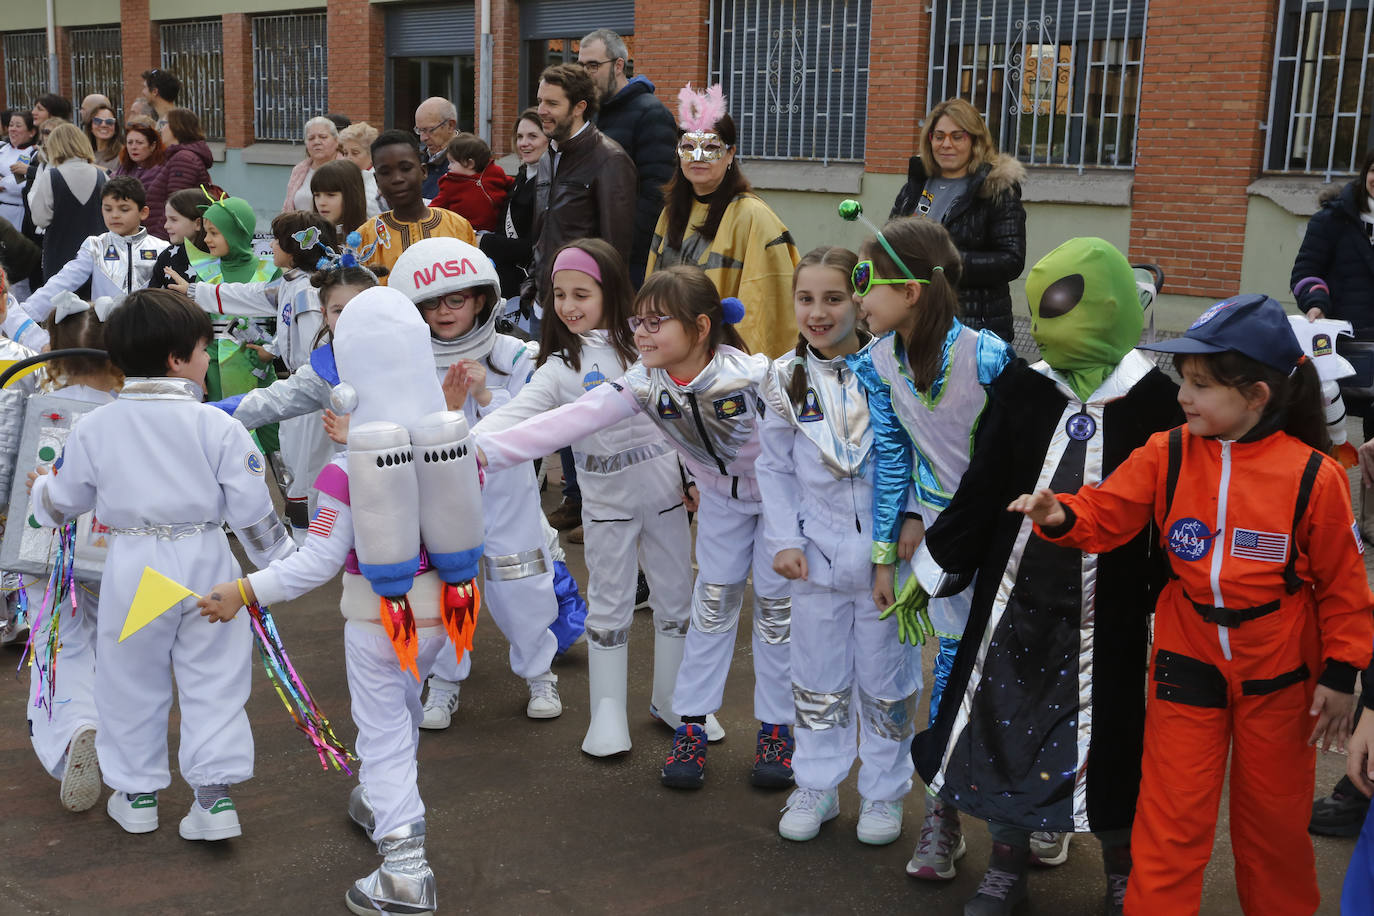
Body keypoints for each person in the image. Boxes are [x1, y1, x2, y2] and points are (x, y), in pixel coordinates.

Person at [1010, 293, 1373, 914]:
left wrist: (1343, 675)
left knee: (1273, 829)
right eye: (1186, 380)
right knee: (1170, 821)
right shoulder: (1168, 450)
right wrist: (1061, 513)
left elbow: (1345, 587)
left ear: (1257, 395)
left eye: (1202, 385)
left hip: (1281, 668)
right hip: (1187, 653)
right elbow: (1109, 510)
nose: (1185, 395)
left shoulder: (1315, 476)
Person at [907, 238, 1181, 915]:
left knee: (1113, 735)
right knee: (1004, 727)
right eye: (1041, 307)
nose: (1048, 322)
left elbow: (1180, 511)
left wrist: (1171, 595)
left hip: (1109, 613)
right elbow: (982, 487)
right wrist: (935, 564)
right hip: (1012, 606)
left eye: (1062, 304)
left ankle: (1123, 864)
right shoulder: (1024, 390)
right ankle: (1007, 860)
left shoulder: (1159, 404)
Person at [198, 285, 484, 916]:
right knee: (403, 712)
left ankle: (406, 871)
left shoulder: (345, 466)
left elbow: (318, 562)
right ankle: (381, 803)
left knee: (381, 736)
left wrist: (242, 591)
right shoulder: (451, 440)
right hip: (450, 615)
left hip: (379, 617)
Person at [474, 265, 796, 789]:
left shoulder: (756, 378)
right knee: (710, 610)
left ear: (700, 327)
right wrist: (477, 452)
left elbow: (808, 440)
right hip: (721, 508)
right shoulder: (643, 383)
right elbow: (565, 422)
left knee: (776, 618)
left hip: (780, 507)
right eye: (638, 322)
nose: (641, 334)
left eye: (656, 323)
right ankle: (689, 722)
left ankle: (777, 730)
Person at [28, 288, 296, 839]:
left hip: (135, 567)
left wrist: (42, 494)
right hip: (206, 564)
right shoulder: (217, 426)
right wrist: (282, 568)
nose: (206, 361)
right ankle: (213, 802)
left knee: (130, 680)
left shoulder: (97, 426)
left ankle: (138, 795)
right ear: (178, 359)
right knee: (215, 679)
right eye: (203, 350)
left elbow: (65, 501)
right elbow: (254, 513)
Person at [473, 238, 694, 756]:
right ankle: (608, 714)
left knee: (676, 598)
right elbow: (518, 413)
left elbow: (683, 413)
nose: (569, 306)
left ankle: (674, 699)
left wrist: (690, 477)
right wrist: (466, 445)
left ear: (610, 290)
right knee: (611, 605)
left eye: (582, 293)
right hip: (605, 504)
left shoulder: (649, 345)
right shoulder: (554, 366)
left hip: (664, 492)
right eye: (559, 294)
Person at [844, 215, 1012, 843]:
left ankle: (1029, 815)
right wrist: (886, 555)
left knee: (1008, 673)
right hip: (938, 542)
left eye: (866, 279)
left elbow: (1011, 458)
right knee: (949, 669)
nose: (858, 294)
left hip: (999, 539)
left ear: (910, 290)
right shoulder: (879, 361)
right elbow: (895, 458)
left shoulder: (987, 357)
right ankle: (944, 811)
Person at [756, 246, 920, 846]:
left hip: (887, 562)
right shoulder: (782, 377)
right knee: (818, 678)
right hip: (815, 560)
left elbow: (925, 453)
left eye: (834, 298)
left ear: (861, 300)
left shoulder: (895, 370)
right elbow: (772, 467)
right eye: (806, 299)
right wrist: (783, 539)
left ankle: (882, 793)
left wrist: (913, 519)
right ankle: (818, 783)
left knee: (887, 682)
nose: (818, 312)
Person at [388, 238, 569, 722]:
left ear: (482, 299)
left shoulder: (513, 354)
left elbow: (536, 425)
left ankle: (540, 677)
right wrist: (446, 412)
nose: (444, 312)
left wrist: (487, 395)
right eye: (430, 302)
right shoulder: (410, 361)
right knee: (450, 590)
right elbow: (404, 430)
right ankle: (444, 682)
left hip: (508, 499)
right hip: (443, 502)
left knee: (523, 589)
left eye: (456, 299)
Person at [170, 212, 337, 541]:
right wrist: (194, 292)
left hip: (311, 397)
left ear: (294, 247)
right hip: (296, 393)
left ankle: (315, 544)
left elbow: (312, 353)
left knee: (308, 472)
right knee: (295, 468)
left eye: (277, 240)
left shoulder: (308, 292)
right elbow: (252, 296)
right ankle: (306, 540)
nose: (271, 245)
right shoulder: (290, 282)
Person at [22, 296, 121, 814]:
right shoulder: (130, 412)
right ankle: (118, 741)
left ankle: (74, 728)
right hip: (114, 547)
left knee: (58, 638)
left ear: (54, 351)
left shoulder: (36, 400)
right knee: (114, 639)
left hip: (42, 541)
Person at [646, 84, 800, 358]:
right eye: (689, 147)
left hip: (724, 364)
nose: (698, 157)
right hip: (673, 356)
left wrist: (740, 368)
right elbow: (653, 286)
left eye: (711, 147)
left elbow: (761, 306)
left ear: (730, 154)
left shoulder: (753, 216)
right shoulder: (671, 213)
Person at [889, 98, 1026, 343]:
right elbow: (890, 242)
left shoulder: (995, 189)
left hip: (972, 329)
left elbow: (1011, 260)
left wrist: (944, 263)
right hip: (915, 323)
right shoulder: (916, 185)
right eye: (939, 136)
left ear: (975, 141)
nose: (946, 145)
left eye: (957, 136)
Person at [6, 176, 168, 350]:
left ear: (143, 212)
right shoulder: (95, 245)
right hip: (106, 334)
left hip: (151, 334)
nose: (114, 215)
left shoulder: (162, 248)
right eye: (108, 209)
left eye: (124, 209)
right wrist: (22, 313)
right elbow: (63, 281)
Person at [529, 63, 637, 309]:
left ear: (579, 108)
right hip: (543, 301)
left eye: (552, 104)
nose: (541, 111)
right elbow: (542, 230)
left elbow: (615, 249)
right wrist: (532, 282)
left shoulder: (610, 159)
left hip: (585, 307)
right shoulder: (548, 155)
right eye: (540, 101)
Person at [578, 28, 678, 287]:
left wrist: (619, 250)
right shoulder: (592, 114)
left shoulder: (652, 114)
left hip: (627, 262)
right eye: (581, 66)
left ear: (618, 65)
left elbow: (657, 193)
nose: (585, 74)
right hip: (590, 251)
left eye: (593, 65)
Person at [353, 130, 475, 281]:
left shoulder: (457, 227)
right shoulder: (365, 237)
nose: (397, 179)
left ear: (423, 171)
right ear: (377, 180)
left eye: (405, 169)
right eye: (386, 172)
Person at [26, 123, 108, 283]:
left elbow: (40, 219)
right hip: (95, 256)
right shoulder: (102, 177)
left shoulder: (51, 177)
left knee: (58, 304)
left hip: (59, 253)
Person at [147, 108, 213, 240]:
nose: (161, 129)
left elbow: (176, 206)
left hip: (169, 238)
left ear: (177, 127)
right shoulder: (178, 156)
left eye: (164, 124)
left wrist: (158, 241)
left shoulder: (183, 159)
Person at [430, 133, 511, 233]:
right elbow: (436, 207)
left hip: (496, 231)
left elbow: (512, 186)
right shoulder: (450, 184)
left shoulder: (494, 172)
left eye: (452, 162)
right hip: (466, 232)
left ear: (470, 163)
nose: (448, 166)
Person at [283, 116, 343, 212]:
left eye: (323, 137)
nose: (316, 142)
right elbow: (287, 208)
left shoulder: (346, 170)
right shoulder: (299, 171)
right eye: (311, 138)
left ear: (336, 141)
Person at [148, 187, 202, 291]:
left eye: (173, 220)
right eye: (167, 219)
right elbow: (152, 297)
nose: (166, 226)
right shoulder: (166, 257)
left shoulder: (218, 257)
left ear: (198, 223)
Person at [311, 159, 373, 236]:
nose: (321, 203)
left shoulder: (371, 237)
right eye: (317, 195)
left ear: (352, 196)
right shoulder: (311, 239)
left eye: (330, 195)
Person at [413, 97, 458, 200]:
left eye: (429, 130)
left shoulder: (467, 162)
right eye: (419, 130)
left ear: (450, 126)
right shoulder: (416, 160)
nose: (422, 138)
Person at [1, 112, 38, 230]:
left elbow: (21, 186)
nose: (13, 129)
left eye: (18, 126)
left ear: (31, 132)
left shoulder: (33, 154)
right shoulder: (2, 148)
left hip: (18, 214)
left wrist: (2, 183)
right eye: (11, 125)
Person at [338, 122, 383, 212]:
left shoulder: (378, 183)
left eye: (355, 153)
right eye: (345, 153)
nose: (348, 158)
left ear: (371, 154)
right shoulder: (341, 178)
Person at [112, 122, 166, 194]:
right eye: (130, 142)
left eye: (139, 143)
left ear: (152, 146)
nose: (133, 147)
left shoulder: (160, 171)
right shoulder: (124, 167)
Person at [84, 105, 122, 172]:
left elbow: (126, 179)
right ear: (90, 127)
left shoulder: (123, 154)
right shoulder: (84, 154)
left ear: (115, 128)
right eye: (97, 120)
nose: (103, 125)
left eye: (109, 121)